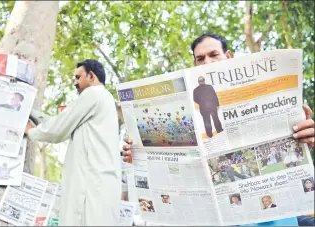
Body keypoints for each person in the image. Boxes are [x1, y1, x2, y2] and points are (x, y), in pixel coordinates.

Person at [121, 33, 314, 163]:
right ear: (194, 64)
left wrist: (308, 136)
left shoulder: (260, 93)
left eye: (214, 54)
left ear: (228, 56)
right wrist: (139, 155)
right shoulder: (185, 101)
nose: (207, 62)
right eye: (200, 58)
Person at [25, 59, 121, 226]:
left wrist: (29, 131)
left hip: (90, 188)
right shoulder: (106, 101)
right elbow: (63, 121)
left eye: (78, 77)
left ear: (91, 76)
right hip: (101, 189)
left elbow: (59, 128)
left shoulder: (93, 94)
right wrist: (32, 113)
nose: (75, 83)